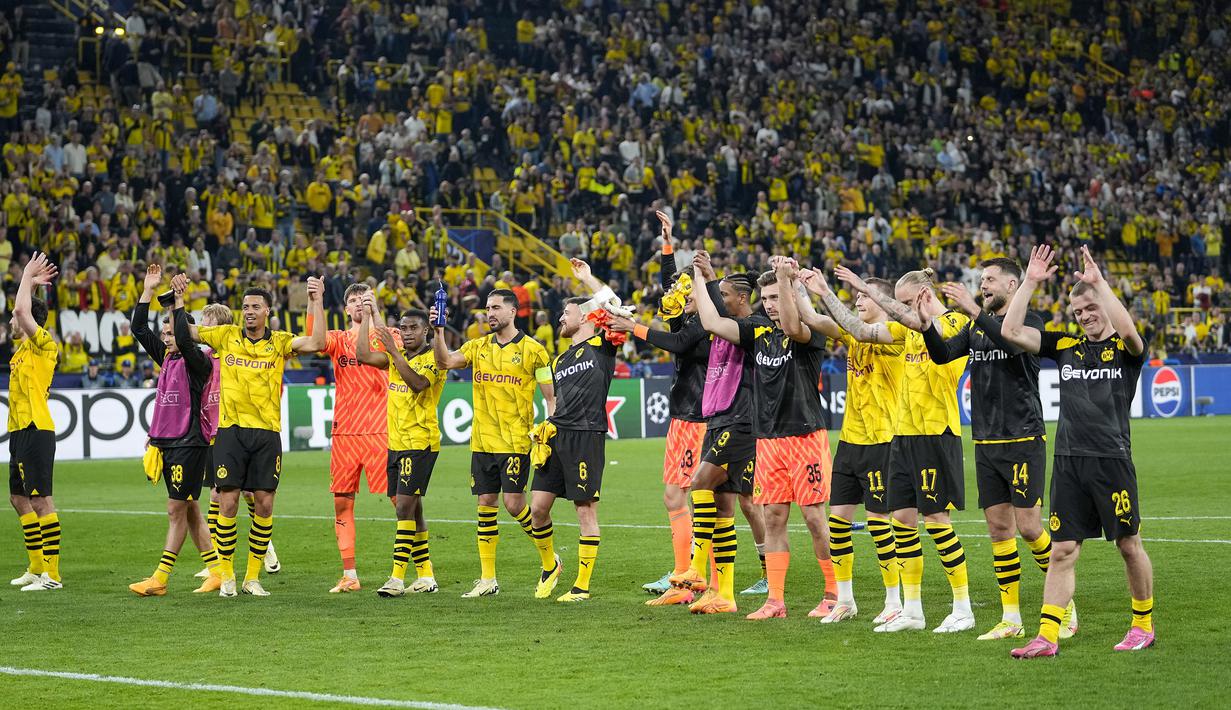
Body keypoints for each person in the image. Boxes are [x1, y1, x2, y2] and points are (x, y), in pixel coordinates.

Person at [1002, 245, 1155, 658]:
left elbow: (1129, 334)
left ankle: (1143, 625)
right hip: (1069, 463)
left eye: (1090, 309)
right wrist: (1030, 282)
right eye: (1078, 313)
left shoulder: (1126, 352)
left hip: (1112, 461)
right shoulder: (1065, 346)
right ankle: (1047, 635)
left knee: (1128, 544)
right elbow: (1011, 331)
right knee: (1062, 549)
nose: (1085, 317)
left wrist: (1099, 284)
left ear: (1104, 305)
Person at [919, 258, 1072, 640]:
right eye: (980, 280)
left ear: (1012, 285)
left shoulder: (1029, 323)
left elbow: (1011, 341)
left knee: (1029, 526)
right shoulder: (975, 328)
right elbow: (942, 355)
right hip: (986, 441)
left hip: (1022, 438)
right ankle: (1011, 618)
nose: (982, 285)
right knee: (998, 529)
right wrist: (926, 327)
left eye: (989, 280)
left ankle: (1065, 606)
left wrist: (972, 309)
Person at [693, 255, 835, 620]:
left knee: (815, 519)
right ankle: (775, 601)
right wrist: (697, 275)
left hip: (805, 436)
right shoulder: (757, 333)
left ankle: (834, 594)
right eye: (766, 299)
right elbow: (710, 320)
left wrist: (788, 282)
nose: (770, 305)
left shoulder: (810, 329)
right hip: (767, 439)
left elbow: (791, 326)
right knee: (772, 517)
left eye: (776, 296)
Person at [835, 265, 975, 633]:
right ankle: (912, 612)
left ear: (924, 297)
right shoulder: (907, 329)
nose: (899, 311)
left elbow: (938, 338)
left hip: (936, 433)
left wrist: (868, 288)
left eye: (905, 304)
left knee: (936, 521)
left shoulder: (958, 324)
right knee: (902, 521)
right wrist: (824, 290)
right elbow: (862, 330)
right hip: (902, 435)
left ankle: (963, 606)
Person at [188, 277, 326, 597]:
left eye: (255, 307)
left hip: (266, 433)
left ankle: (252, 578)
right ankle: (227, 577)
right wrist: (177, 301)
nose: (248, 312)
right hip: (231, 432)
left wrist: (315, 300)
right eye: (245, 307)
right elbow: (188, 333)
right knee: (228, 502)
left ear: (267, 311)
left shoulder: (279, 342)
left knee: (264, 505)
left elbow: (317, 342)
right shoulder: (226, 335)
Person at [431, 288, 556, 598]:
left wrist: (552, 426)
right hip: (482, 441)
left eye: (496, 307)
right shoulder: (477, 347)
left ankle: (550, 561)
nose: (490, 313)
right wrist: (438, 330)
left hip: (515, 441)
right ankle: (488, 579)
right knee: (485, 503)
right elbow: (445, 361)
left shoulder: (534, 350)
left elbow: (551, 396)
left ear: (512, 312)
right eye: (488, 308)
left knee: (514, 505)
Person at [799, 270, 905, 624]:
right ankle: (845, 599)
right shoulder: (854, 332)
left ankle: (893, 600)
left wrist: (825, 291)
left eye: (864, 296)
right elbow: (812, 318)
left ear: (884, 303)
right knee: (838, 521)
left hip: (883, 440)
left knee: (878, 523)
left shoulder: (896, 335)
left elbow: (852, 326)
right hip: (850, 440)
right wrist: (795, 283)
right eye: (857, 297)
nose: (858, 301)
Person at [127, 265, 223, 596]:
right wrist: (148, 291)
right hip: (169, 442)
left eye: (170, 334)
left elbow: (184, 336)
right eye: (165, 335)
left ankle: (161, 578)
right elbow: (138, 328)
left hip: (190, 441)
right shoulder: (167, 357)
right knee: (192, 508)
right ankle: (216, 571)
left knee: (175, 509)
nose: (166, 339)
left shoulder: (199, 362)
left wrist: (178, 303)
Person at [527, 259, 619, 602]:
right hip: (558, 436)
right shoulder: (558, 361)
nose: (560, 319)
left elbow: (614, 304)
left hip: (587, 434)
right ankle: (551, 564)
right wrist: (547, 425)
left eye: (566, 314)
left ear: (585, 316)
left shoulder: (603, 345)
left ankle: (581, 585)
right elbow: (554, 401)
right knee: (537, 508)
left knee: (585, 509)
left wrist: (587, 279)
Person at [355, 301, 445, 598]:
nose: (407, 333)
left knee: (404, 507)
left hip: (420, 443)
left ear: (427, 331)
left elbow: (418, 384)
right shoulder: (398, 356)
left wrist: (393, 351)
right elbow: (364, 354)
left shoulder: (434, 359)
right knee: (411, 508)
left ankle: (396, 578)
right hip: (396, 443)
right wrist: (367, 318)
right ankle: (426, 575)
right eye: (403, 328)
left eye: (413, 328)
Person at [314, 282, 399, 594]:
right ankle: (350, 574)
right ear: (346, 309)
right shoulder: (337, 339)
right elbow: (316, 340)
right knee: (341, 503)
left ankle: (422, 571)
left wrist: (374, 314)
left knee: (401, 501)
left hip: (381, 429)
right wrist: (317, 299)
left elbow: (394, 358)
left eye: (365, 299)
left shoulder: (390, 335)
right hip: (345, 432)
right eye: (353, 300)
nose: (358, 304)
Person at [8, 252, 62, 592]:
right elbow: (20, 312)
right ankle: (36, 567)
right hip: (18, 431)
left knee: (41, 500)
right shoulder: (20, 353)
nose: (11, 324)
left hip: (36, 430)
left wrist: (27, 275)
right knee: (18, 498)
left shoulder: (44, 346)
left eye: (15, 323)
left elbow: (20, 311)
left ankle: (52, 575)